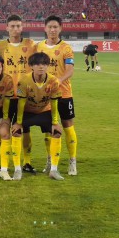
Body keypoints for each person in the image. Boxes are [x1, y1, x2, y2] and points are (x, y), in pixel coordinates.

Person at [13, 52, 65, 181]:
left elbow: (54, 102)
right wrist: (18, 122)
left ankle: (53, 170)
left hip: (44, 111)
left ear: (48, 66)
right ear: (31, 66)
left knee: (57, 132)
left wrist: (55, 122)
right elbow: (21, 103)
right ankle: (17, 169)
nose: (41, 67)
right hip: (27, 112)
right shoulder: (24, 80)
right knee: (16, 132)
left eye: (44, 64)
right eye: (37, 64)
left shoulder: (53, 81)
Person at [36, 15, 78, 176]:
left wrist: (58, 80)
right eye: (50, 27)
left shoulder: (66, 48)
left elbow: (70, 70)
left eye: (55, 27)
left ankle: (72, 161)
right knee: (48, 129)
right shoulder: (39, 47)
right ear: (45, 28)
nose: (52, 30)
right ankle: (50, 160)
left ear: (60, 28)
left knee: (68, 126)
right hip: (45, 95)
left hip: (64, 94)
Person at [0, 14, 37, 174]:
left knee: (25, 129)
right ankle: (4, 163)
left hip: (24, 95)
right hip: (6, 95)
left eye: (18, 26)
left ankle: (27, 162)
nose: (15, 29)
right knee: (4, 130)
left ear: (22, 27)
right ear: (6, 27)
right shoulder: (0, 46)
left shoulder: (30, 44)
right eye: (12, 26)